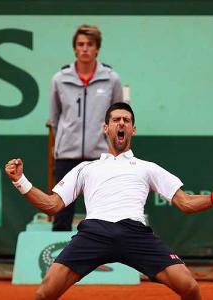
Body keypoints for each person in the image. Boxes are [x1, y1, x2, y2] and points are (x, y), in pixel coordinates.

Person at [5, 102, 213, 300]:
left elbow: (186, 203)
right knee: (44, 293)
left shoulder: (147, 168)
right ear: (105, 128)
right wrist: (20, 181)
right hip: (93, 234)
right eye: (116, 119)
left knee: (190, 288)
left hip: (135, 234)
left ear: (133, 129)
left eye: (126, 120)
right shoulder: (85, 169)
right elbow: (51, 205)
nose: (121, 123)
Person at [49, 24, 124, 231]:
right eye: (80, 44)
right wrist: (65, 141)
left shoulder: (111, 79)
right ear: (74, 48)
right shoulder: (59, 79)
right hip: (66, 156)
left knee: (104, 214)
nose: (84, 49)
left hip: (100, 156)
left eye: (89, 44)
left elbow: (119, 118)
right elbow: (55, 119)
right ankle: (60, 260)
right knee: (62, 213)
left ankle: (106, 259)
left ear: (97, 48)